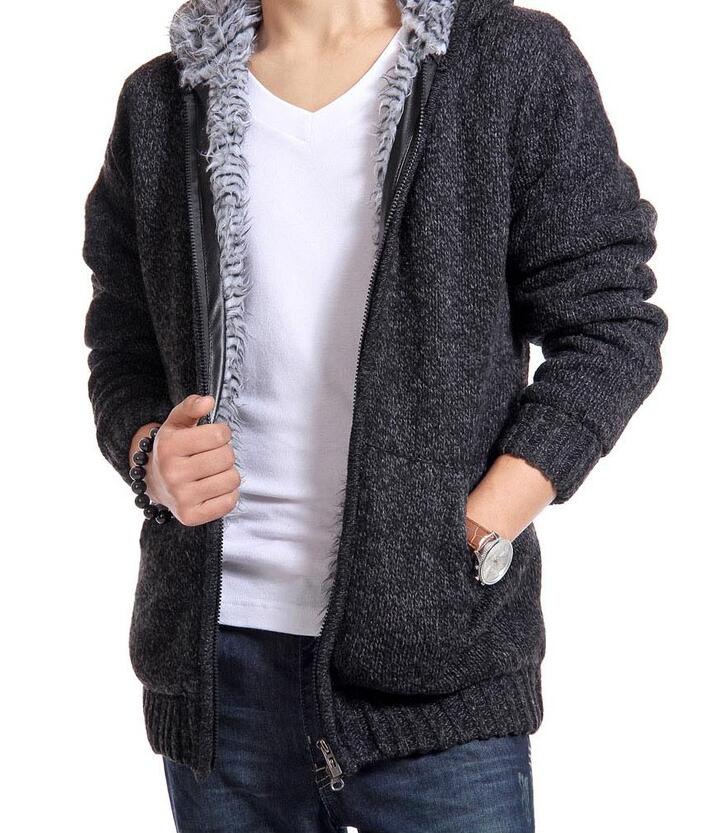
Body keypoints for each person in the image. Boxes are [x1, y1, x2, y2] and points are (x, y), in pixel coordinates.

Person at [82, 0, 668, 830]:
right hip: (218, 664)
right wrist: (150, 452)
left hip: (437, 657)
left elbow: (610, 322)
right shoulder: (162, 102)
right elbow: (123, 343)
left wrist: (479, 525)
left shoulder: (508, 63)